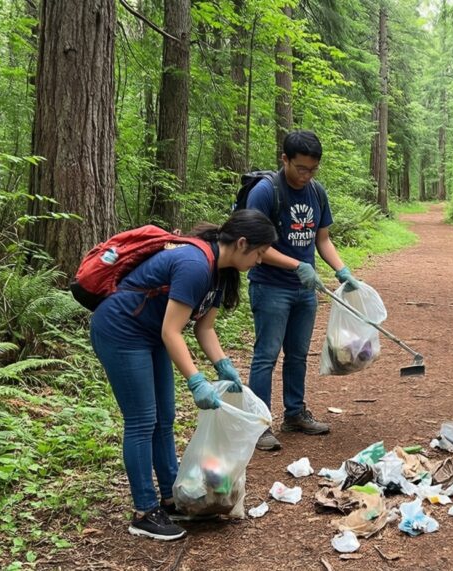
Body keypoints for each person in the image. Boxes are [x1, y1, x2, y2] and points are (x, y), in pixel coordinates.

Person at [90, 209, 277, 541]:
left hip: (150, 333)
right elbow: (172, 331)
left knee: (165, 418)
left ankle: (171, 497)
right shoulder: (195, 264)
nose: (260, 260)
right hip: (121, 330)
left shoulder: (221, 273)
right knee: (142, 420)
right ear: (242, 243)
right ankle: (144, 512)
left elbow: (205, 328)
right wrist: (196, 381)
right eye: (259, 253)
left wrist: (223, 365)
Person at [245, 130, 362, 451]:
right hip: (270, 287)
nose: (306, 175)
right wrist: (297, 265)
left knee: (297, 354)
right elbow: (255, 245)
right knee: (266, 355)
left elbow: (322, 239)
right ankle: (258, 424)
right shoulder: (266, 192)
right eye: (300, 168)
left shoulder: (316, 193)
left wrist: (342, 271)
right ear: (285, 159)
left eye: (312, 169)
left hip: (305, 291)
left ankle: (294, 413)